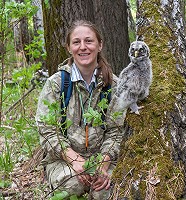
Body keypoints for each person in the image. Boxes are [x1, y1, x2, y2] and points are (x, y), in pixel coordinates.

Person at [35, 20, 126, 199]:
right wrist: (74, 160)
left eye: (89, 41)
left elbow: (117, 131)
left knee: (105, 192)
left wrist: (102, 164)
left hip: (103, 160)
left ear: (100, 45)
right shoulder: (56, 84)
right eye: (76, 42)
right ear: (69, 47)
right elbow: (47, 130)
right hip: (63, 161)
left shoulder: (114, 86)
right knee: (71, 186)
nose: (83, 47)